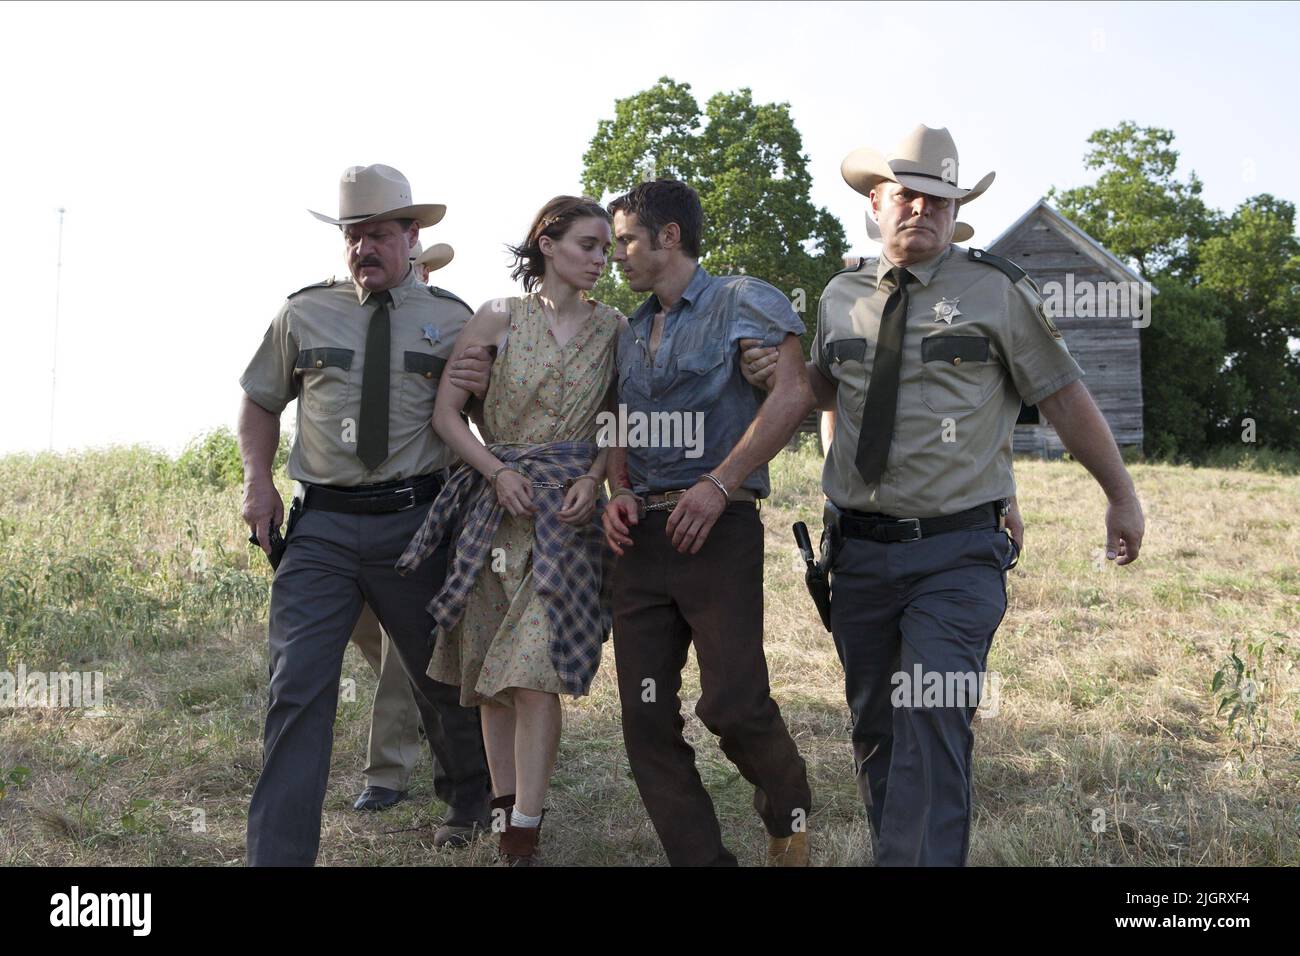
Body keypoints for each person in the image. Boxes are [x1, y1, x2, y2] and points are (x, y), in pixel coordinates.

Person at [741, 125, 1144, 865]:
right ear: (875, 201)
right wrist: (783, 379)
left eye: (940, 199)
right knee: (877, 730)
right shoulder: (839, 296)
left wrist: (1120, 493)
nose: (924, 210)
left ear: (956, 208)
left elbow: (1061, 393)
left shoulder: (995, 289)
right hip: (857, 551)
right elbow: (828, 389)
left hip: (957, 553)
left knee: (932, 714)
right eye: (909, 195)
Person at [238, 163, 491, 865]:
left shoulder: (454, 320)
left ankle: (469, 797)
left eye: (379, 233)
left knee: (441, 676)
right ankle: (279, 856)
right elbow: (261, 400)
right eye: (354, 234)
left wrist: (484, 389)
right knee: (296, 687)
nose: (363, 248)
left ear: (412, 237)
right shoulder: (302, 313)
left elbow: (488, 419)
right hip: (319, 525)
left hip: (418, 522)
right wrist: (257, 484)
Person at [397, 196, 619, 866]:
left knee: (536, 671)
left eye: (607, 248)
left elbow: (618, 419)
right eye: (588, 244)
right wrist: (495, 473)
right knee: (491, 677)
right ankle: (501, 812)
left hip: (570, 519)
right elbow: (447, 417)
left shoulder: (617, 328)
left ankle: (525, 829)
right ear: (546, 245)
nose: (601, 259)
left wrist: (596, 475)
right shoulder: (498, 317)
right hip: (495, 515)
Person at [601, 178, 817, 866]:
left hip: (717, 530)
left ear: (669, 236)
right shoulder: (628, 330)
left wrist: (720, 484)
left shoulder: (742, 300)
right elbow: (618, 426)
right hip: (639, 541)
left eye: (627, 240)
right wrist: (616, 488)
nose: (618, 257)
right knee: (643, 715)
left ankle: (789, 812)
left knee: (732, 703)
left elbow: (793, 393)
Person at [349, 240, 456, 813]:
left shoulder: (445, 319)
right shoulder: (341, 314)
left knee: (399, 651)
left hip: (416, 506)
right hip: (335, 511)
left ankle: (386, 772)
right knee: (367, 634)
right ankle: (437, 723)